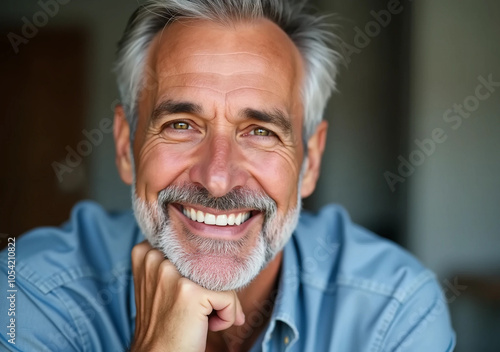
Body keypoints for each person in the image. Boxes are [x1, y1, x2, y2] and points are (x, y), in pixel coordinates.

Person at [0, 0, 455, 351]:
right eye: (181, 125)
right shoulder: (28, 290)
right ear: (125, 146)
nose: (217, 179)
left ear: (311, 162)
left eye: (260, 131)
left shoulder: (393, 308)